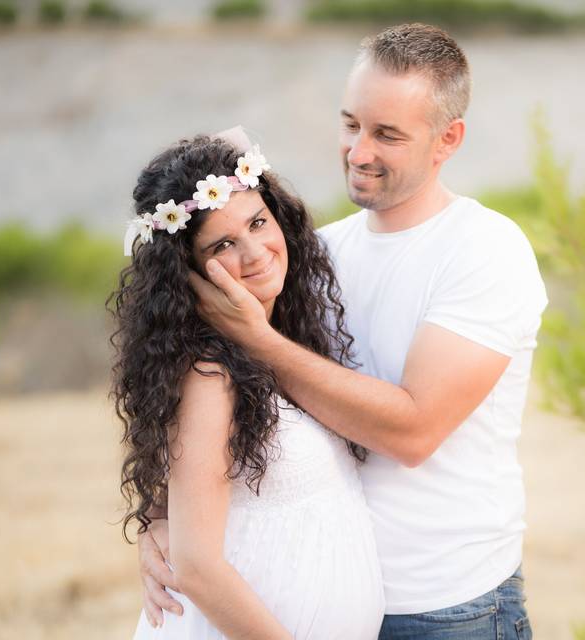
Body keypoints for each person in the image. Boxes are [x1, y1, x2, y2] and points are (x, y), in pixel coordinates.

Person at [141, 23, 547, 639]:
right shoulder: (311, 257)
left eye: (387, 134)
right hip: (319, 607)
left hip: (446, 608)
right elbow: (184, 377)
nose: (359, 151)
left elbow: (412, 431)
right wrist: (160, 518)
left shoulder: (486, 251)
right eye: (350, 124)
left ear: (447, 140)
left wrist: (261, 340)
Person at [111, 134, 385, 639]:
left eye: (258, 222)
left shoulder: (287, 342)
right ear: (186, 272)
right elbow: (195, 567)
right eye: (222, 245)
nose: (256, 252)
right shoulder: (209, 374)